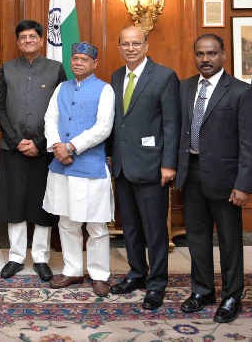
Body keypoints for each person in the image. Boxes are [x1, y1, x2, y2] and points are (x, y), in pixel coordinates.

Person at [176, 34, 252, 323]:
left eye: (211, 53)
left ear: (224, 54)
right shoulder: (185, 87)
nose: (205, 59)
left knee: (229, 240)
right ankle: (202, 290)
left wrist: (244, 184)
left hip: (227, 179)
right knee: (196, 237)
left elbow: (250, 143)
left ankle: (232, 295)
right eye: (200, 54)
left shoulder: (241, 91)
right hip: (192, 173)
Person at [109, 26, 180, 310]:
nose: (131, 48)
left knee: (155, 230)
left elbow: (172, 124)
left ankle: (157, 282)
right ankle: (137, 273)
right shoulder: (116, 76)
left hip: (152, 167)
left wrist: (169, 163)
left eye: (136, 43)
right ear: (119, 47)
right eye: (125, 44)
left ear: (146, 45)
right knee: (130, 227)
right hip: (123, 166)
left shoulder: (164, 76)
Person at [0, 20, 65, 282]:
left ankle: (40, 258)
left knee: (42, 204)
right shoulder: (7, 68)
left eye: (32, 36)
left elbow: (61, 109)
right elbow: (0, 107)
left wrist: (39, 142)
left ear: (41, 39)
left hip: (44, 150)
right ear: (18, 42)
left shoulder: (56, 69)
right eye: (23, 37)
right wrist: (16, 141)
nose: (28, 41)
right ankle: (15, 257)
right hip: (12, 148)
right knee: (15, 202)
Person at [42, 42, 114, 297]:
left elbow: (103, 127)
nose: (78, 63)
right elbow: (50, 118)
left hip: (90, 166)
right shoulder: (61, 88)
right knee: (66, 221)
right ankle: (72, 270)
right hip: (61, 165)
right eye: (75, 59)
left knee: (96, 225)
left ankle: (99, 274)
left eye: (84, 59)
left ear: (94, 63)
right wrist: (57, 146)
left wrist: (71, 147)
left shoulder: (105, 89)